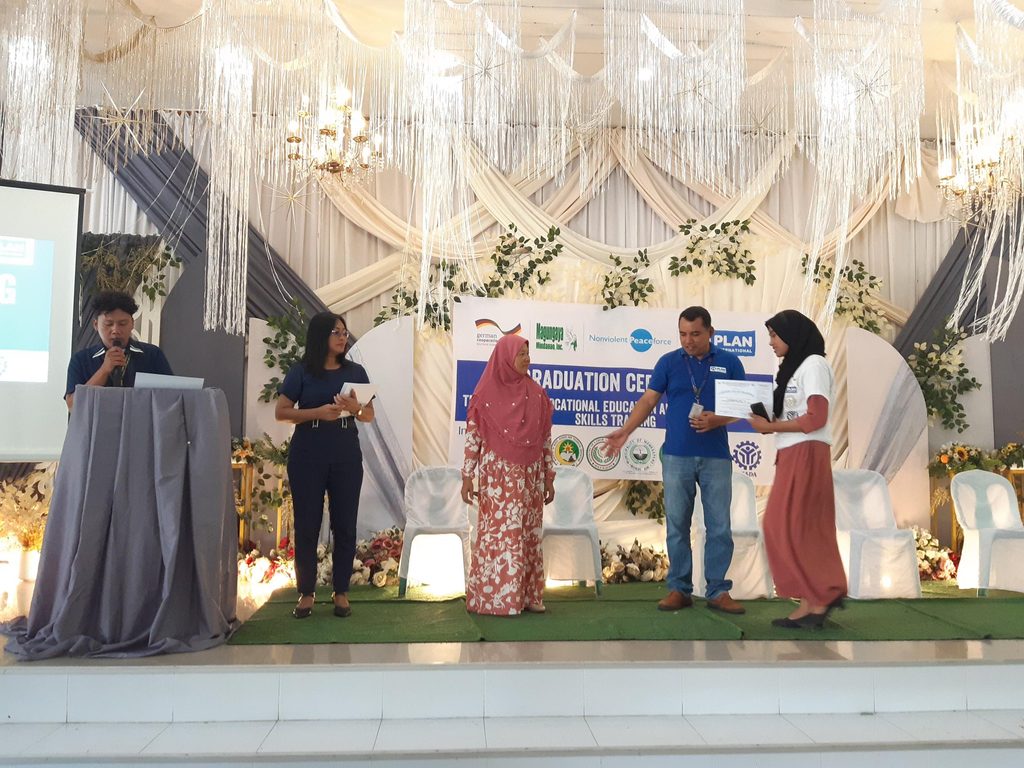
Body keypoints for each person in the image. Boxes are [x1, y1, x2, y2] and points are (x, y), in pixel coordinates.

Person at [604, 306, 747, 615]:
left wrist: (717, 420)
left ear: (711, 332)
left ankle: (718, 590)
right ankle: (679, 589)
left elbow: (744, 407)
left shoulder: (730, 362)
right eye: (683, 334)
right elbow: (648, 400)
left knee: (720, 526)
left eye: (695, 334)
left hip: (716, 457)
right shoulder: (668, 362)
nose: (688, 340)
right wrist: (626, 432)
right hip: (676, 456)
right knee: (676, 525)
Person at [747, 309, 847, 629]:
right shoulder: (793, 370)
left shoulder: (814, 365)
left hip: (806, 451)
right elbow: (784, 413)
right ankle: (812, 600)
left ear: (793, 335)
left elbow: (816, 417)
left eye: (775, 336)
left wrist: (773, 425)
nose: (772, 343)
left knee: (791, 526)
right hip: (792, 453)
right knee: (786, 527)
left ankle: (823, 594)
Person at [275, 312, 374, 619]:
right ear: (320, 336)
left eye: (345, 332)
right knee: (307, 524)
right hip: (308, 452)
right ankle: (306, 593)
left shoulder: (356, 370)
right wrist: (317, 412)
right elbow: (281, 411)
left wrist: (354, 407)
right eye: (336, 332)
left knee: (345, 523)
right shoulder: (302, 371)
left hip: (345, 452)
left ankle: (341, 592)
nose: (343, 337)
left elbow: (368, 415)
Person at [460, 334, 555, 616]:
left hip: (530, 476)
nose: (527, 358)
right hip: (498, 477)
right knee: (501, 534)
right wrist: (467, 476)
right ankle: (496, 598)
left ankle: (528, 596)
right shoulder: (485, 394)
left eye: (528, 353)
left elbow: (546, 439)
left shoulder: (537, 394)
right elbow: (473, 438)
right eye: (521, 354)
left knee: (527, 533)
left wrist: (550, 476)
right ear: (505, 357)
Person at [64, 291, 173, 409]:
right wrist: (104, 370)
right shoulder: (81, 359)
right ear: (96, 325)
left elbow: (172, 398)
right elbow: (72, 405)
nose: (115, 330)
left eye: (122, 323)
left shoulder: (152, 355)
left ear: (132, 323)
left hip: (141, 424)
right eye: (108, 324)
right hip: (97, 426)